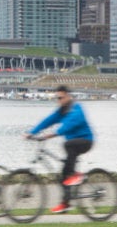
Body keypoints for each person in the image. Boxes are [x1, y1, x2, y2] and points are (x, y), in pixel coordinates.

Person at [24, 85, 94, 213]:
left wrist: (53, 134)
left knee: (68, 145)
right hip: (73, 144)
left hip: (86, 141)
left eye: (61, 98)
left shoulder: (76, 108)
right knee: (63, 176)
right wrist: (31, 133)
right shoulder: (61, 111)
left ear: (68, 96)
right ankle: (65, 203)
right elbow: (47, 121)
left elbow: (70, 124)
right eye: (57, 98)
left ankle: (76, 175)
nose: (59, 100)